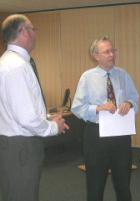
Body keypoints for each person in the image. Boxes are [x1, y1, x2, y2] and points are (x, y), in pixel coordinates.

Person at [0, 14, 69, 201]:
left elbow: (24, 109)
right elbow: (26, 118)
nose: (35, 33)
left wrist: (45, 118)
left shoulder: (13, 62)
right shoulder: (16, 67)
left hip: (16, 144)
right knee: (23, 195)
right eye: (33, 29)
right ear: (23, 32)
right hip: (21, 146)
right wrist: (54, 127)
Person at [71, 36, 139, 201]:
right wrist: (99, 108)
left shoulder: (123, 75)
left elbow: (135, 98)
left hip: (121, 136)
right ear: (96, 55)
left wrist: (129, 103)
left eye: (112, 50)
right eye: (106, 51)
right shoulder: (87, 77)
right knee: (95, 186)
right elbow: (77, 108)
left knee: (123, 185)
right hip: (96, 136)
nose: (111, 55)